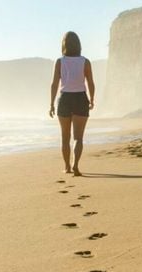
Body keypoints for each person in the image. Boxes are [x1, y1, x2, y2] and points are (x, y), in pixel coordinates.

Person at [49, 31, 95, 177]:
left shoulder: (60, 61)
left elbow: (54, 84)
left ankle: (67, 167)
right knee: (78, 137)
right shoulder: (85, 62)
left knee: (65, 137)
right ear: (78, 45)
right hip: (80, 98)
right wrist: (92, 99)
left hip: (64, 99)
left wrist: (51, 104)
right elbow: (91, 83)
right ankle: (76, 165)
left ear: (64, 45)